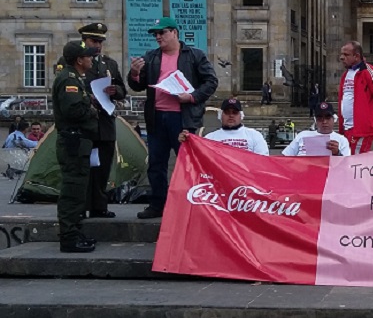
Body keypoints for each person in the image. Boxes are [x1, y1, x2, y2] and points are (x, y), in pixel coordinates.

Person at [127, 17, 218, 219]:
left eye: (162, 33)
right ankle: (158, 204)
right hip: (157, 117)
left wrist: (192, 96)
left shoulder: (194, 55)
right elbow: (137, 86)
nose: (158, 37)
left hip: (182, 118)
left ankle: (191, 204)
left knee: (187, 164)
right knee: (156, 164)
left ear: (175, 33)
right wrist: (134, 73)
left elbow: (211, 81)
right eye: (155, 34)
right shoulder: (151, 57)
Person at [57, 23, 128, 219]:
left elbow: (122, 89)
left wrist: (116, 91)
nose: (98, 46)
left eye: (100, 42)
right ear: (84, 42)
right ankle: (81, 207)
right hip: (84, 125)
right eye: (93, 41)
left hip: (104, 123)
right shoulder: (71, 62)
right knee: (83, 169)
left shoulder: (109, 64)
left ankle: (99, 205)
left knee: (102, 167)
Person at [53, 41, 101, 253]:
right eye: (88, 56)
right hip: (73, 142)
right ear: (79, 60)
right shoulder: (69, 80)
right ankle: (69, 237)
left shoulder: (75, 79)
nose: (91, 59)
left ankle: (73, 231)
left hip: (79, 142)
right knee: (72, 190)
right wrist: (91, 110)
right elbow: (73, 110)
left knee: (78, 189)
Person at [337, 41, 373, 154]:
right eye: (341, 54)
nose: (342, 58)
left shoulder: (367, 71)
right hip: (348, 127)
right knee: (348, 159)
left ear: (356, 56)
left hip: (362, 129)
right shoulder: (346, 75)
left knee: (355, 162)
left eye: (346, 55)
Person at [178, 99, 268, 156]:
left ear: (241, 116)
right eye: (227, 112)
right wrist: (187, 143)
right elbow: (197, 159)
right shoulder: (210, 138)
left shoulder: (254, 135)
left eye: (234, 112)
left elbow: (263, 161)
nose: (231, 115)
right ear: (220, 115)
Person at [283, 102, 350, 157]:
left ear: (334, 119)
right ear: (315, 120)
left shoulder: (342, 140)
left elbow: (347, 165)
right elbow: (285, 156)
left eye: (328, 118)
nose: (324, 122)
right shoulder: (302, 135)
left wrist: (337, 153)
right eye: (320, 118)